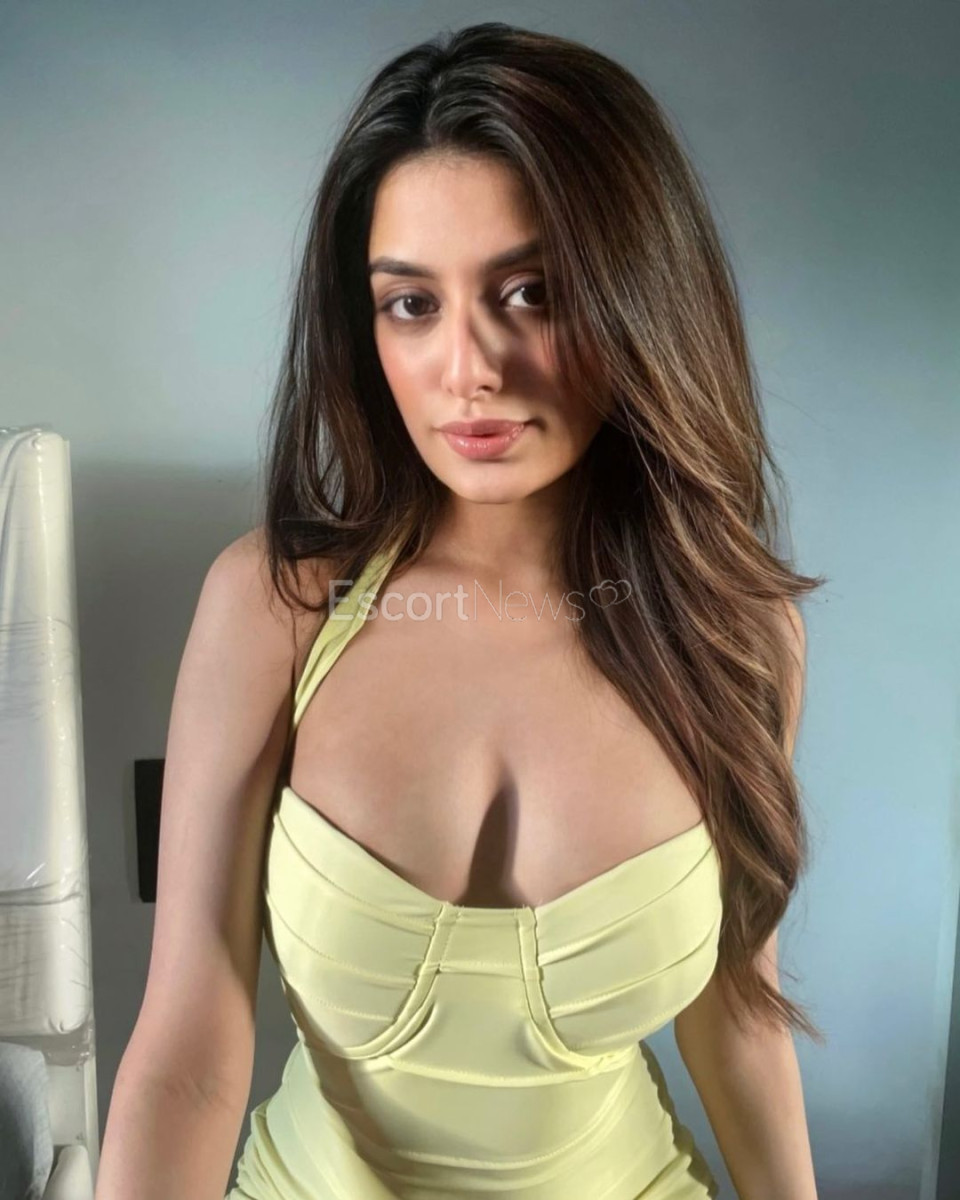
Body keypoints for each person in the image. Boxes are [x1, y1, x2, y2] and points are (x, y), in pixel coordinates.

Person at [95, 21, 824, 1200]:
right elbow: (187, 1057)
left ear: (640, 298)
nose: (468, 368)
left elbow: (738, 1013)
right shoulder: (276, 609)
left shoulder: (736, 638)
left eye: (530, 293)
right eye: (411, 304)